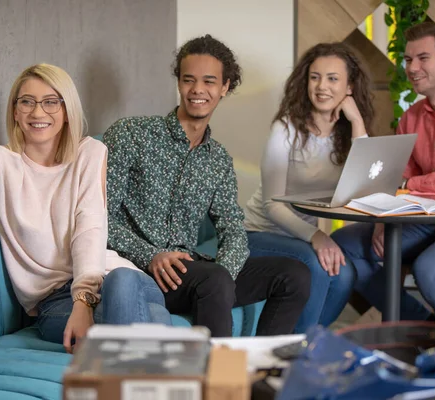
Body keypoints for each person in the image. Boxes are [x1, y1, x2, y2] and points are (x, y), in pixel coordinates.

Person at [0, 64, 171, 353]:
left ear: (67, 111)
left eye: (51, 102)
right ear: (15, 111)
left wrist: (84, 298)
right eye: (27, 101)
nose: (38, 112)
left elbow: (89, 227)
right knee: (153, 320)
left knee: (124, 281)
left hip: (112, 279)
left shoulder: (89, 153)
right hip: (55, 302)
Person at [103, 35, 311, 337]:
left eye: (209, 81)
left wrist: (225, 271)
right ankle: (220, 381)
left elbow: (232, 228)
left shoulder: (218, 160)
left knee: (295, 275)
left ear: (225, 87)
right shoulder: (131, 134)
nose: (198, 90)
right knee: (213, 281)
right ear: (179, 83)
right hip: (139, 270)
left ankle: (263, 371)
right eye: (189, 80)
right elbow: (97, 215)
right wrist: (150, 254)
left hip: (193, 273)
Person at [331, 22, 435, 327]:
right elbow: (397, 180)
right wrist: (384, 220)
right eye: (408, 60)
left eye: (423, 58)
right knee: (345, 246)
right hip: (428, 220)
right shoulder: (412, 117)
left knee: (431, 271)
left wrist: (410, 184)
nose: (412, 68)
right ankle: (420, 328)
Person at [244, 42, 374, 333]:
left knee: (343, 274)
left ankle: (306, 343)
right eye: (314, 77)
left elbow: (366, 191)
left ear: (350, 87)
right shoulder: (285, 129)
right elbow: (272, 205)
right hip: (259, 234)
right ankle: (297, 352)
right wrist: (316, 236)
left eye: (332, 78)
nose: (321, 86)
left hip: (301, 238)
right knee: (315, 265)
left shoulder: (346, 135)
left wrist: (357, 122)